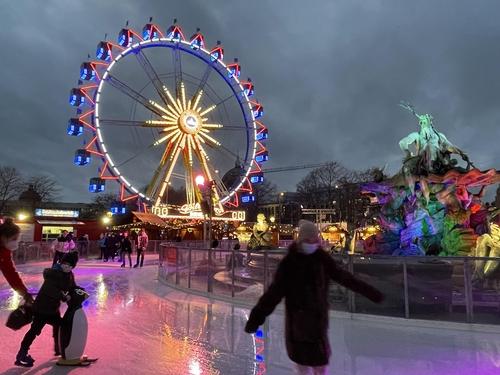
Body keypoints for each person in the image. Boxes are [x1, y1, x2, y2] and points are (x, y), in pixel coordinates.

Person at [244, 220, 384, 375]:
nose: (311, 243)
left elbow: (344, 277)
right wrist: (255, 319)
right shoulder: (290, 263)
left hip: (318, 325)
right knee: (302, 367)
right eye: (307, 240)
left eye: (314, 240)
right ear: (300, 240)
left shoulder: (322, 259)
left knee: (319, 366)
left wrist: (370, 292)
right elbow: (273, 295)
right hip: (298, 327)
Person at [16, 251, 78, 367]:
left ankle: (58, 347)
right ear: (61, 263)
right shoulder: (53, 273)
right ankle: (22, 353)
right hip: (42, 309)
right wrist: (64, 297)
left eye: (70, 266)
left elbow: (72, 286)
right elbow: (50, 289)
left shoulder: (69, 275)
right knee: (34, 331)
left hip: (53, 309)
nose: (67, 267)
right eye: (65, 264)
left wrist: (79, 291)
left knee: (60, 325)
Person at [0, 218, 33, 305]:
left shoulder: (4, 252)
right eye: (14, 239)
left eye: (17, 239)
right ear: (3, 237)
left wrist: (25, 293)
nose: (16, 243)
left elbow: (11, 273)